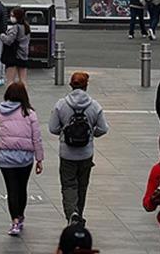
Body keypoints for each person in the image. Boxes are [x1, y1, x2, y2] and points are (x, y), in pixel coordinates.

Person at [48, 72, 109, 224]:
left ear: (71, 85)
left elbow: (53, 128)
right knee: (82, 186)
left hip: (67, 153)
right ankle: (78, 213)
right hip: (86, 153)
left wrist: (64, 133)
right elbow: (103, 128)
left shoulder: (61, 104)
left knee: (68, 185)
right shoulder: (94, 106)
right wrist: (91, 135)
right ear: (86, 86)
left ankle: (72, 214)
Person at [0, 83, 44, 236]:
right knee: (22, 188)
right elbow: (36, 138)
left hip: (6, 157)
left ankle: (14, 222)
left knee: (11, 189)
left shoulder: (0, 112)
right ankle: (21, 215)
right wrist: (39, 159)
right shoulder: (30, 113)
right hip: (25, 158)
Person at [0, 7, 30, 85]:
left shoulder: (15, 28)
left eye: (12, 15)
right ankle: (24, 95)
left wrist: (2, 36)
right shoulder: (26, 27)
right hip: (24, 55)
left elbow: (9, 41)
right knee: (23, 80)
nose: (11, 17)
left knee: (10, 81)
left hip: (13, 56)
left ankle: (10, 96)